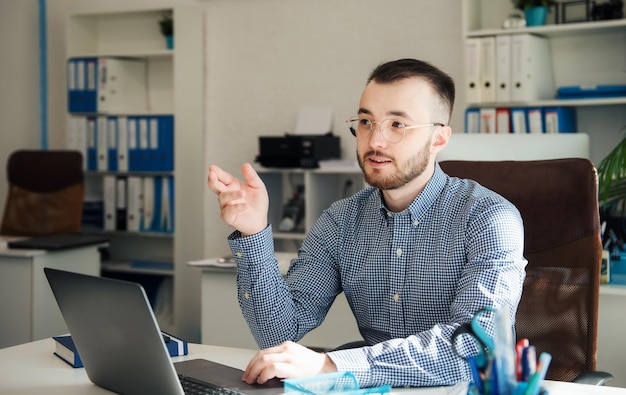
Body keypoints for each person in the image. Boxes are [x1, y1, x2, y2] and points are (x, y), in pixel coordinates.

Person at [207, 58, 527, 388]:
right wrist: (254, 231)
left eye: (397, 125)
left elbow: (475, 348)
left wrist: (331, 363)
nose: (374, 141)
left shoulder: (489, 218)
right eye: (365, 121)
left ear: (439, 139)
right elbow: (279, 331)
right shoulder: (341, 220)